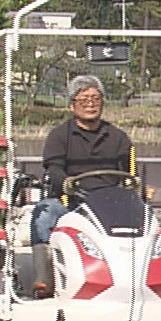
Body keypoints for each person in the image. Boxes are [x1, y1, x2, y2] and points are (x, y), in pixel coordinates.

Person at [30, 74, 135, 245]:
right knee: (44, 214)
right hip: (70, 200)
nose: (90, 104)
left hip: (109, 201)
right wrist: (66, 183)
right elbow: (54, 169)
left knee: (145, 216)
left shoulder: (119, 137)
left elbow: (130, 173)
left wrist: (135, 188)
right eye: (84, 100)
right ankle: (44, 261)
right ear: (72, 105)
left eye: (95, 98)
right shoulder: (59, 135)